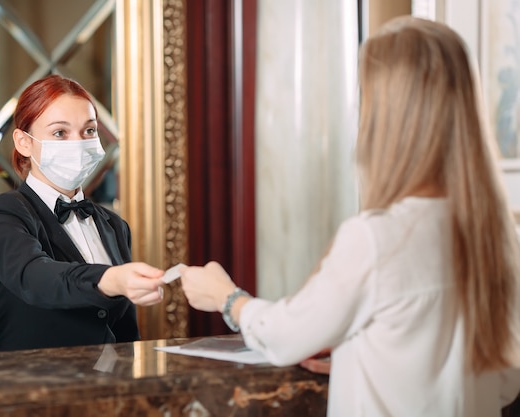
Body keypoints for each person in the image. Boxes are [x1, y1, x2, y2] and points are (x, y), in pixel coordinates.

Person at [178, 17, 520, 416]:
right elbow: (503, 380)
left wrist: (226, 297)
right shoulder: (499, 235)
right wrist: (362, 356)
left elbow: (286, 336)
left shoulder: (378, 238)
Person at [0, 74, 164, 352]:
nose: (78, 142)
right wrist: (111, 279)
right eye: (60, 133)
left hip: (104, 388)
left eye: (88, 131)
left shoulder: (113, 225)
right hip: (24, 387)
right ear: (23, 142)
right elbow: (35, 278)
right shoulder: (4, 213)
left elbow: (124, 331)